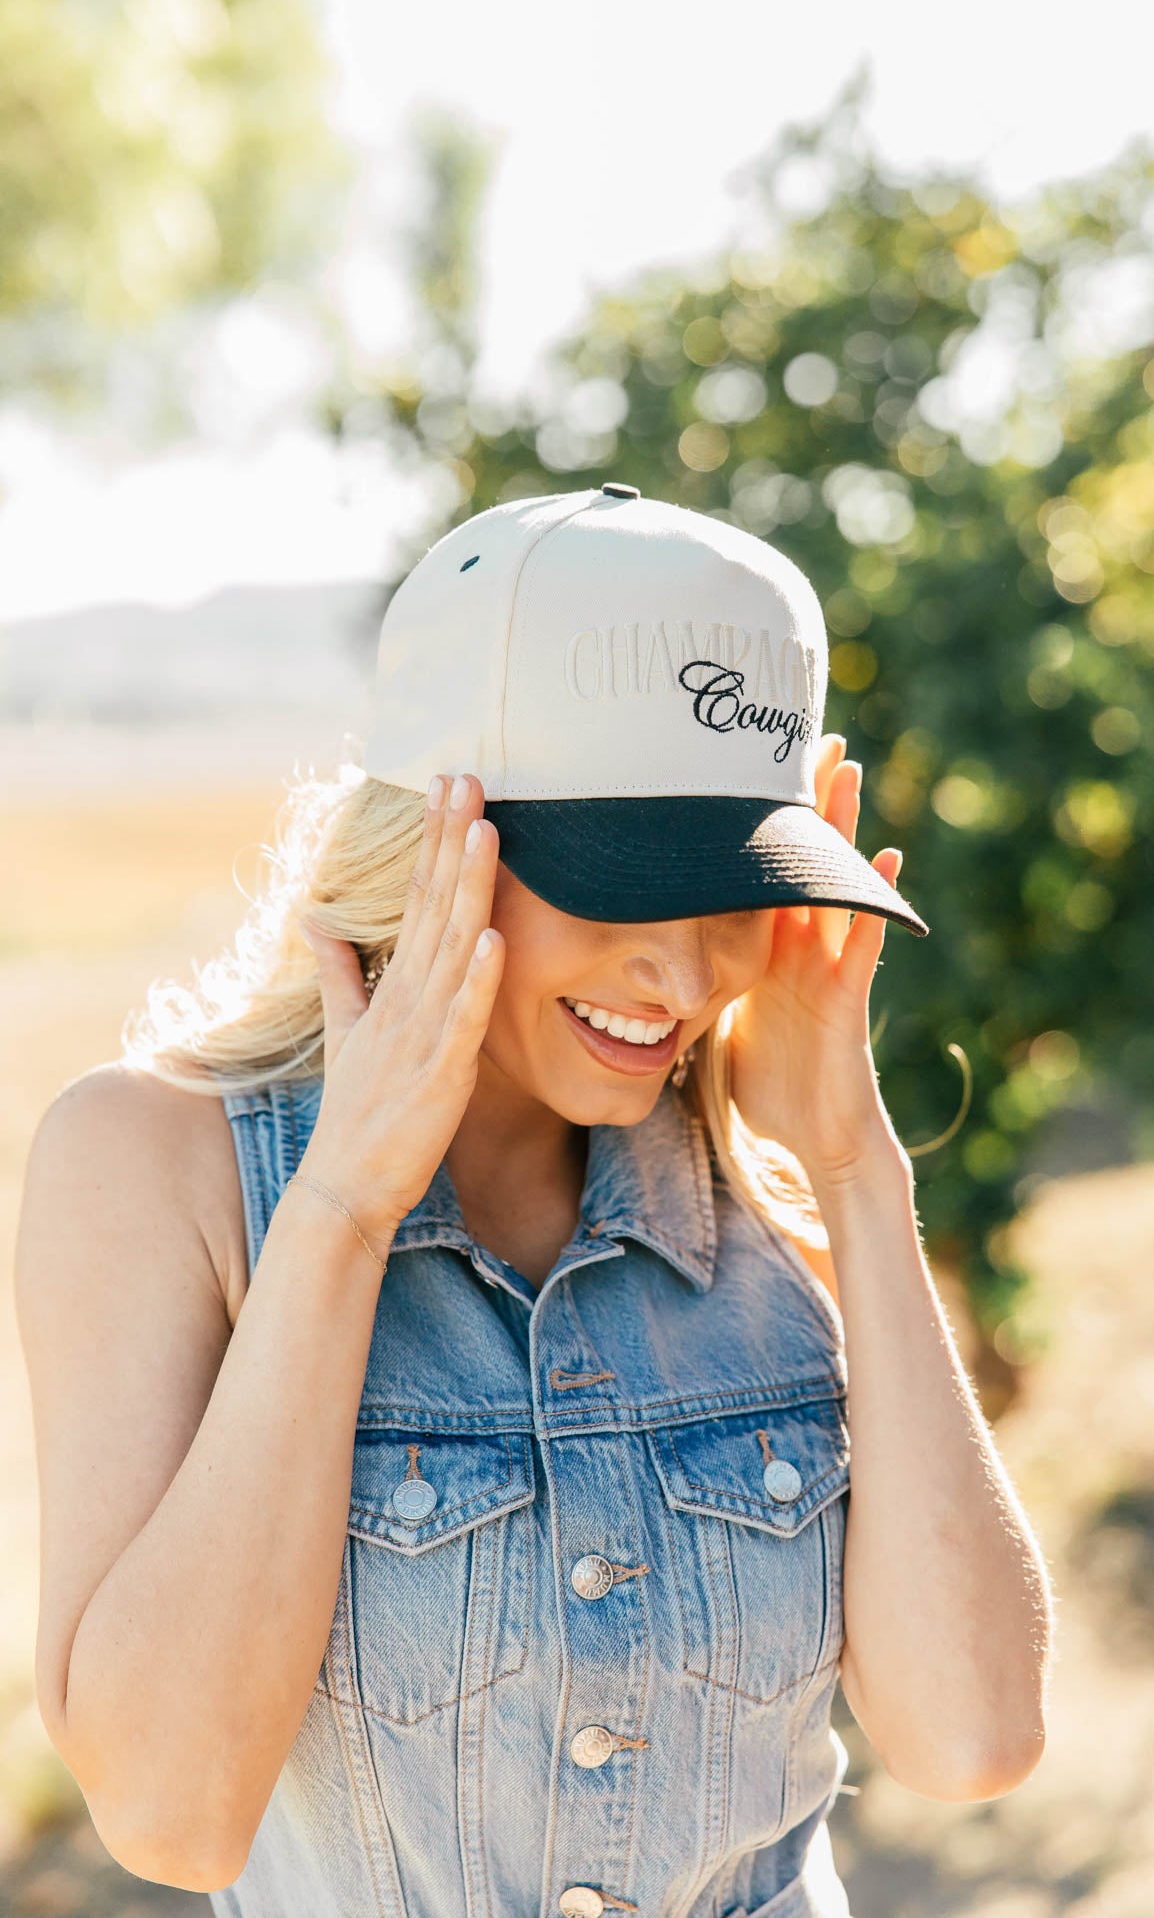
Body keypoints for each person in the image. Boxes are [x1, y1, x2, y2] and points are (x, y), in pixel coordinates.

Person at [16, 484, 1051, 1917]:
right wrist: (342, 1213)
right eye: (625, 885)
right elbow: (171, 1813)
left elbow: (971, 1737)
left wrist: (860, 1173)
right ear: (435, 846)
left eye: (738, 891)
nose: (683, 979)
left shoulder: (776, 1196)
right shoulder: (152, 1164)